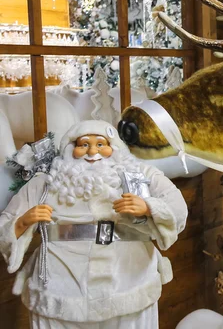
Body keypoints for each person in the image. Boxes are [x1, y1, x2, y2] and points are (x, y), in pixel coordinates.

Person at [0, 120, 188, 328]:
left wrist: (149, 207)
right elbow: (5, 224)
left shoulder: (141, 175)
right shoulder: (46, 183)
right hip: (62, 289)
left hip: (128, 281)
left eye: (100, 144)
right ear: (70, 148)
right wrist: (22, 222)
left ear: (114, 147)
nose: (92, 151)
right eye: (83, 145)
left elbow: (177, 208)